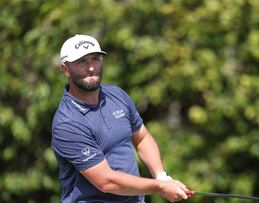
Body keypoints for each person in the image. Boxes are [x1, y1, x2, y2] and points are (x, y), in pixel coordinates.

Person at [51, 34, 192, 203]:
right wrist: (159, 187)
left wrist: (162, 177)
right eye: (81, 62)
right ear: (65, 69)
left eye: (95, 59)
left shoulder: (116, 95)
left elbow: (142, 138)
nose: (90, 68)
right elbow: (106, 182)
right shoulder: (67, 123)